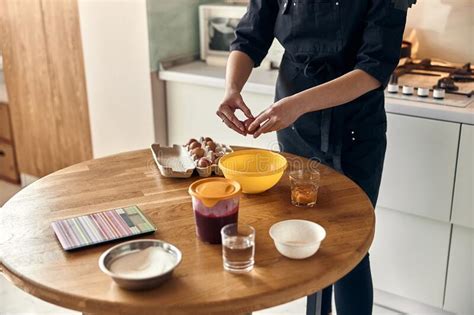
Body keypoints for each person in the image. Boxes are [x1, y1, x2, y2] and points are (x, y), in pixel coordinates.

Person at [216, 0, 415, 314]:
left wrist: (298, 105)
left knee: (351, 248)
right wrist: (231, 88)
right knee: (309, 239)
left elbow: (373, 69)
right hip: (295, 128)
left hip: (353, 129)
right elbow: (249, 37)